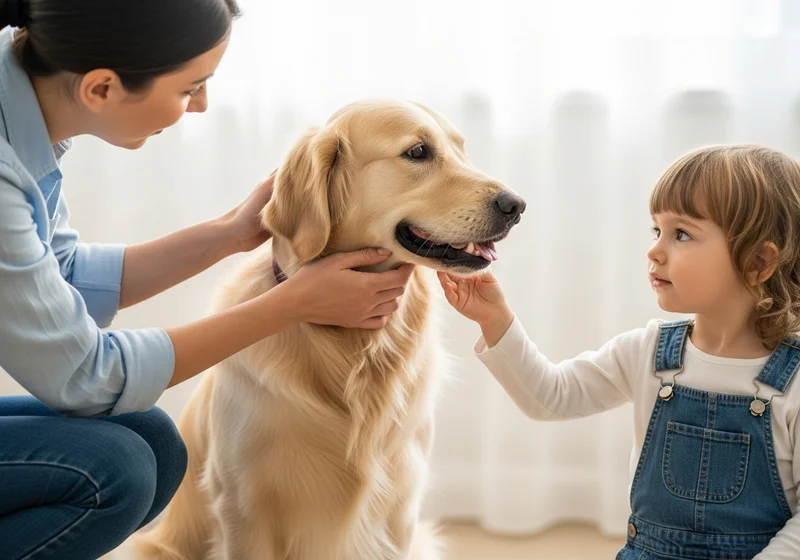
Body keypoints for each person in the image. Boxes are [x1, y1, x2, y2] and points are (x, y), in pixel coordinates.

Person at [0, 0, 414, 558]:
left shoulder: (24, 111)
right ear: (100, 88)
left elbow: (63, 276)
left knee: (156, 442)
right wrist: (290, 305)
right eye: (190, 87)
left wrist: (229, 232)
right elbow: (83, 377)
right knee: (111, 473)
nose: (201, 106)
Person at [439, 144, 800, 559]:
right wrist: (495, 319)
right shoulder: (649, 352)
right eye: (656, 231)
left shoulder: (793, 380)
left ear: (758, 262)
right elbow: (551, 396)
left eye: (681, 233)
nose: (655, 251)